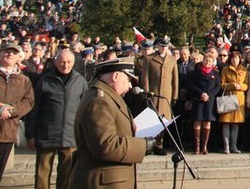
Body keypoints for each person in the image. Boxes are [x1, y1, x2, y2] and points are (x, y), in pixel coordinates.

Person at [69, 57, 155, 188]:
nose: (130, 85)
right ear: (115, 76)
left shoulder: (109, 97)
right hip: (104, 182)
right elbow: (105, 145)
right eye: (128, 80)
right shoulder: (100, 101)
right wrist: (143, 146)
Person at [25, 49, 87, 189]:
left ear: (73, 62)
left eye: (68, 62)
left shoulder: (80, 81)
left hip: (70, 136)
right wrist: (30, 135)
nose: (65, 65)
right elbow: (34, 110)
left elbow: (85, 109)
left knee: (67, 175)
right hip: (46, 135)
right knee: (42, 174)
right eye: (62, 62)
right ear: (55, 62)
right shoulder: (44, 81)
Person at [0, 42, 35, 183]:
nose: (9, 54)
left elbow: (29, 102)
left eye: (13, 52)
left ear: (19, 58)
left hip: (7, 132)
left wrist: (11, 110)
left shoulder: (24, 80)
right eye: (6, 51)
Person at [141, 37, 179, 155]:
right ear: (157, 46)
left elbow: (175, 79)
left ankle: (159, 145)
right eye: (161, 46)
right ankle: (149, 145)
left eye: (166, 46)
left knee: (164, 121)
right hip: (154, 93)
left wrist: (174, 96)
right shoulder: (149, 58)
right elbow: (145, 78)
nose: (163, 48)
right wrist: (146, 92)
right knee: (152, 120)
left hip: (166, 95)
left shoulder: (172, 59)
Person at [189, 53, 221, 154]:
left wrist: (209, 95)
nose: (207, 63)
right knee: (197, 123)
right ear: (203, 61)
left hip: (209, 101)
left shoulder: (215, 73)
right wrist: (201, 94)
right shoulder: (195, 72)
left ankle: (204, 147)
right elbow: (191, 85)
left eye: (210, 61)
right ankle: (197, 147)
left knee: (207, 124)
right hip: (198, 100)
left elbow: (217, 87)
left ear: (212, 63)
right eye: (206, 60)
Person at [219, 51, 248, 154]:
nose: (234, 60)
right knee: (226, 123)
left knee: (236, 124)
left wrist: (240, 86)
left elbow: (246, 85)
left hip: (239, 99)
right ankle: (226, 147)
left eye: (236, 58)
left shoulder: (244, 70)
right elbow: (222, 84)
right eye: (232, 58)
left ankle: (234, 146)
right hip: (228, 98)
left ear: (240, 59)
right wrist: (231, 85)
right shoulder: (225, 70)